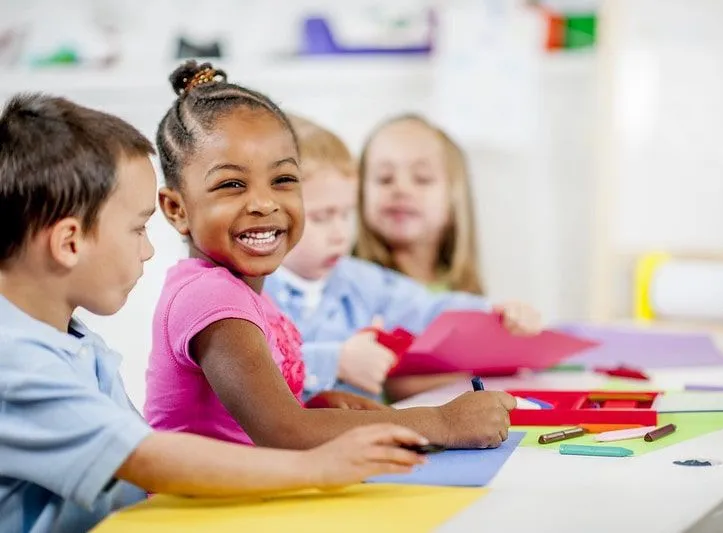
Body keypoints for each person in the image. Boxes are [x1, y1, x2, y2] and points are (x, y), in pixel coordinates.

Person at [0, 93, 428, 533]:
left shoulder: (70, 340)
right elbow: (146, 458)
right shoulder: (16, 365)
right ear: (70, 242)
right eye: (137, 229)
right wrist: (318, 467)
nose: (147, 250)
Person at [145, 61, 516, 452]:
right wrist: (442, 421)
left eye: (283, 179)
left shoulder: (247, 292)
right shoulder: (211, 298)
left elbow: (259, 421)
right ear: (176, 209)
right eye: (232, 184)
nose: (264, 203)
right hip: (198, 511)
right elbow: (284, 432)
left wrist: (319, 406)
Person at [265, 115, 541, 402]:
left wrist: (494, 313)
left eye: (346, 214)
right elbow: (247, 366)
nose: (340, 234)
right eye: (322, 217)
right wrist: (335, 362)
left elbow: (427, 309)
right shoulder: (254, 289)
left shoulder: (361, 279)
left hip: (361, 437)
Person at [355, 114, 483, 294]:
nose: (401, 188)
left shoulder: (465, 299)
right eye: (384, 178)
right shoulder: (348, 289)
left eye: (422, 178)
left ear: (454, 197)